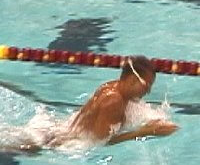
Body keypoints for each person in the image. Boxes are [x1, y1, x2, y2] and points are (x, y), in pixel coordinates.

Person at [1, 55, 178, 153]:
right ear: (132, 80)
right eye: (146, 85)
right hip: (60, 144)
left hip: (58, 130)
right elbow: (100, 142)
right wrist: (144, 132)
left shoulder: (113, 87)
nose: (147, 92)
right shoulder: (114, 101)